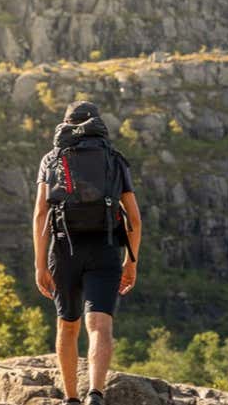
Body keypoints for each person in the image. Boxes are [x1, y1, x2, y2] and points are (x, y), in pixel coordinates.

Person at [32, 100, 142, 405]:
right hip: (105, 248)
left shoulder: (51, 159)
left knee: (67, 324)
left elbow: (41, 214)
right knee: (100, 325)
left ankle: (70, 398)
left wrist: (40, 264)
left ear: (66, 124)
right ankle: (96, 392)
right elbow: (134, 218)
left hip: (64, 249)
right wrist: (130, 262)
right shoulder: (113, 158)